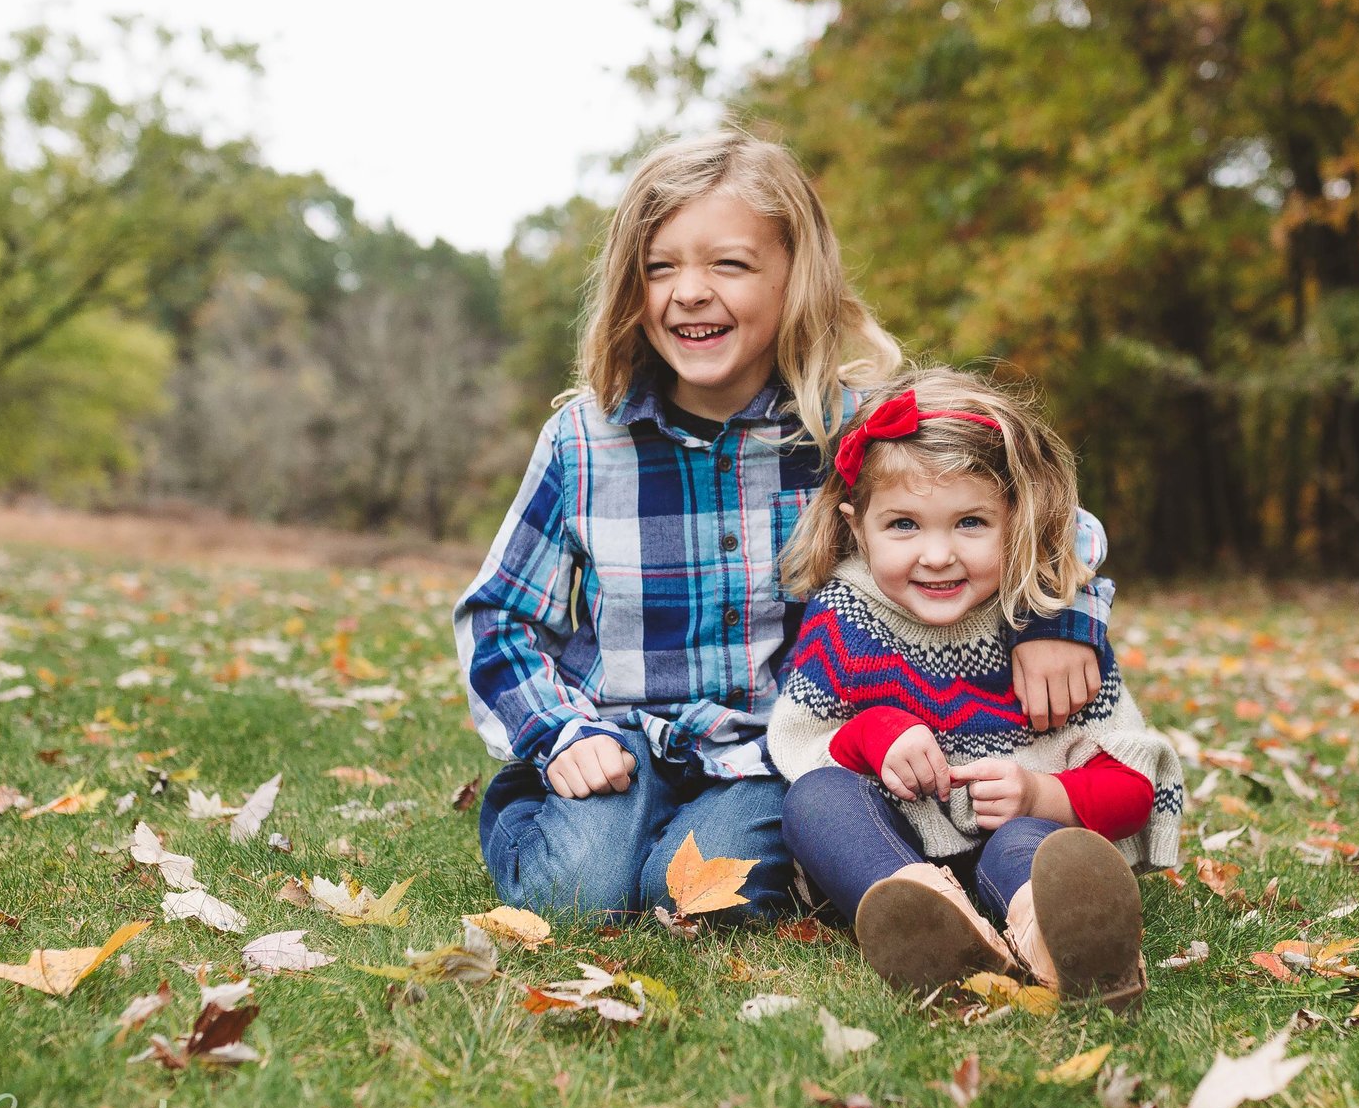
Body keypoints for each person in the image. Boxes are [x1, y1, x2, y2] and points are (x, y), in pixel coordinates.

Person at [454, 130, 1117, 920]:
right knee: (579, 896)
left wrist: (1060, 616)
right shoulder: (584, 441)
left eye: (728, 264)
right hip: (615, 741)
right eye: (660, 267)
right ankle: (557, 813)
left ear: (795, 278)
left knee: (698, 901)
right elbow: (496, 616)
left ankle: (673, 846)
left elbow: (1048, 513)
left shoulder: (858, 432)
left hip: (769, 755)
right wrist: (562, 734)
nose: (689, 291)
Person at [767, 367, 1183, 1007]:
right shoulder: (845, 615)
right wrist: (878, 735)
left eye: (970, 523)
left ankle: (1062, 945)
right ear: (857, 526)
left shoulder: (1047, 624)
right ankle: (923, 917)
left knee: (1029, 850)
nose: (937, 555)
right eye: (904, 525)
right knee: (815, 802)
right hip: (892, 839)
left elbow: (1133, 782)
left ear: (1017, 519)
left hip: (1011, 844)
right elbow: (802, 741)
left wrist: (1043, 795)